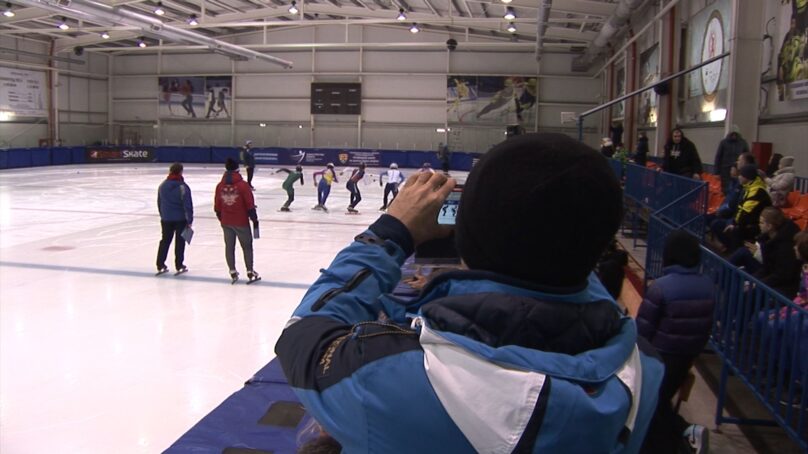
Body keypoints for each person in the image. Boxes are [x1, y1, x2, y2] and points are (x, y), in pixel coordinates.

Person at [275, 132, 663, 453]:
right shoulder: (644, 368)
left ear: (470, 237)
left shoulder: (390, 376)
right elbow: (565, 255)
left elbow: (301, 337)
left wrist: (392, 231)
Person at [636, 230, 714, 454]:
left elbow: (643, 330)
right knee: (659, 403)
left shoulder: (661, 287)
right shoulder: (708, 286)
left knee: (653, 405)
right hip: (687, 356)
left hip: (659, 357)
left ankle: (686, 432)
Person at [728, 207, 801, 297]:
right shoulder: (768, 237)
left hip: (785, 287)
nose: (759, 225)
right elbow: (767, 268)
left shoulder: (786, 246)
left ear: (770, 226)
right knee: (741, 279)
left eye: (761, 222)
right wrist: (753, 280)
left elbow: (782, 275)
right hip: (772, 277)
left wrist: (757, 283)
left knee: (746, 294)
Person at [214, 158, 259, 284]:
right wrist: (254, 219)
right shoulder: (243, 185)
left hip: (226, 222)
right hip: (241, 221)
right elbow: (250, 204)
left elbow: (217, 205)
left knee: (229, 247)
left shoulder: (220, 186)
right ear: (237, 169)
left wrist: (221, 218)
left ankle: (232, 271)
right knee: (247, 247)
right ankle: (250, 271)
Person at [715, 164, 772, 253]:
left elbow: (745, 212)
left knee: (736, 231)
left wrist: (734, 225)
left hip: (755, 226)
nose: (739, 177)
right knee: (717, 224)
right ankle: (731, 251)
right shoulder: (748, 187)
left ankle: (735, 258)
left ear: (747, 177)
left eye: (741, 175)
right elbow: (741, 208)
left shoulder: (757, 191)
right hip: (746, 223)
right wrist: (734, 222)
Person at [156, 162, 193, 275]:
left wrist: (163, 215)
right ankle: (179, 265)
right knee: (180, 242)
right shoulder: (183, 186)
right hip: (180, 219)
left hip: (166, 218)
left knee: (165, 241)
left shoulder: (163, 185)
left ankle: (160, 264)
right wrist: (190, 220)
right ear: (181, 172)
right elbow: (187, 205)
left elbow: (159, 202)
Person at [713, 125, 750, 195]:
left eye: (735, 134)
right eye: (732, 134)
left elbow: (747, 156)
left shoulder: (743, 143)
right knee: (726, 189)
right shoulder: (723, 143)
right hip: (725, 170)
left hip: (738, 170)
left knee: (737, 188)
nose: (734, 136)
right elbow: (718, 157)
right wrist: (716, 172)